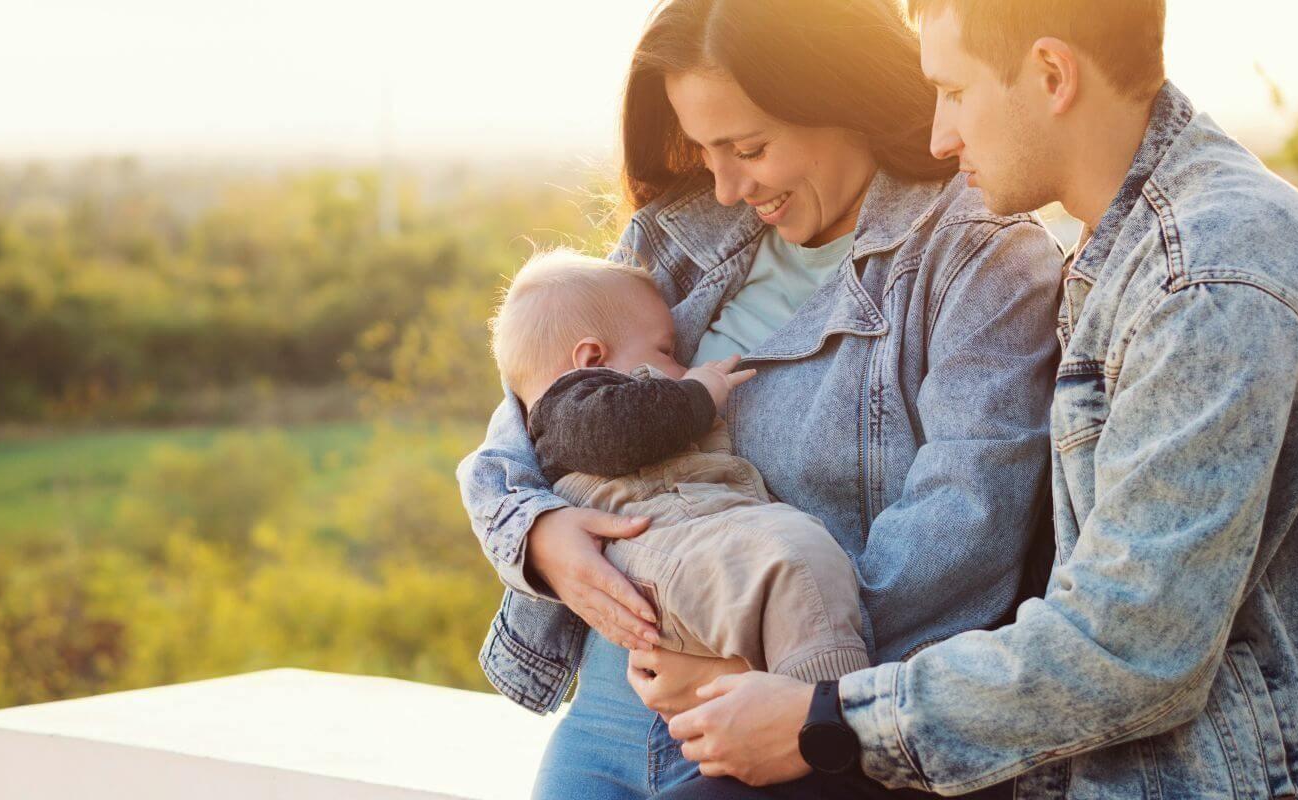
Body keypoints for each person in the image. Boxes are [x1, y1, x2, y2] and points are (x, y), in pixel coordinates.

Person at [652, 1, 1298, 798]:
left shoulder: (1206, 281)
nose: (939, 136)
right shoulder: (1129, 245)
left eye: (955, 92)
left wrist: (826, 718)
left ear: (1051, 75)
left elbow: (1133, 644)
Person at [455, 0, 1063, 797]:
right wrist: (536, 534)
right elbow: (540, 393)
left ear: (845, 97)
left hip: (774, 736)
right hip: (607, 707)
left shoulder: (980, 261)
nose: (727, 183)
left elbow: (964, 534)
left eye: (749, 147)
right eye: (705, 150)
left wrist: (766, 670)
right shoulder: (679, 236)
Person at [488, 249, 872, 682]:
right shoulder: (568, 408)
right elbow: (619, 432)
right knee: (793, 562)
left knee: (801, 561)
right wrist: (699, 392)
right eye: (665, 351)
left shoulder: (584, 405)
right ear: (592, 359)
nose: (683, 366)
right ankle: (821, 713)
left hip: (681, 538)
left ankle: (800, 702)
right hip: (650, 543)